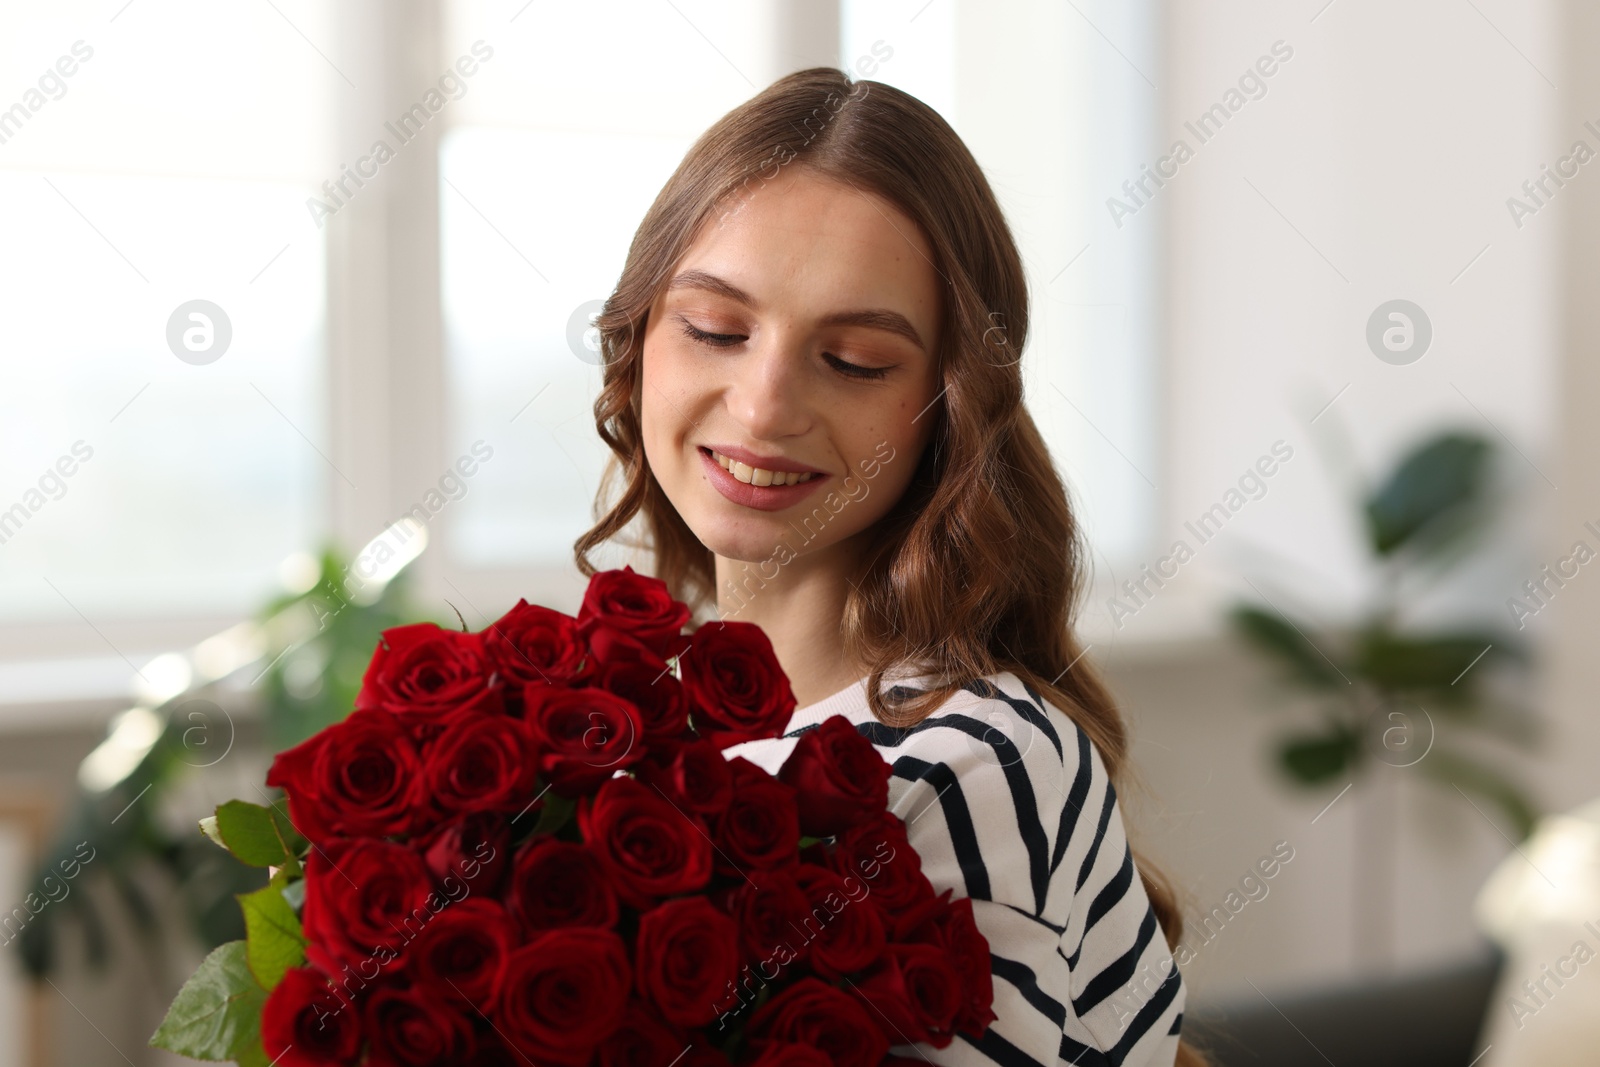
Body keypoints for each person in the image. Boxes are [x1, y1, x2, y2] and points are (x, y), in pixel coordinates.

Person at [576, 67, 1202, 1067]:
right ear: (639, 340)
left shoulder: (965, 763)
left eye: (857, 358)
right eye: (716, 330)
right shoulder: (629, 722)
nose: (764, 403)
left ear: (947, 411)